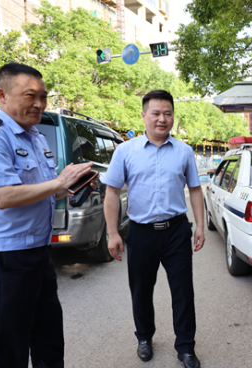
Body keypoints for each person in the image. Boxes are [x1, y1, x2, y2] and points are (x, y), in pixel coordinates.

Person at [0, 63, 95, 368]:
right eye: (30, 96)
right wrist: (59, 181)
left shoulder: (36, 137)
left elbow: (42, 190)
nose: (39, 104)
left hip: (38, 252)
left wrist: (70, 186)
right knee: (8, 348)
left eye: (43, 97)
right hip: (8, 256)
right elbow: (3, 197)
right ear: (2, 95)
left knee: (49, 341)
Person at [103, 89, 205, 368]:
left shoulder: (184, 151)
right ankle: (144, 337)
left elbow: (195, 190)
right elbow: (111, 193)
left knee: (183, 291)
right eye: (156, 113)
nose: (162, 119)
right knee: (141, 290)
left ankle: (185, 346)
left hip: (176, 231)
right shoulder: (125, 151)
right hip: (141, 232)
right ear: (144, 115)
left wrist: (200, 226)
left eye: (168, 113)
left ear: (173, 116)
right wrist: (113, 233)